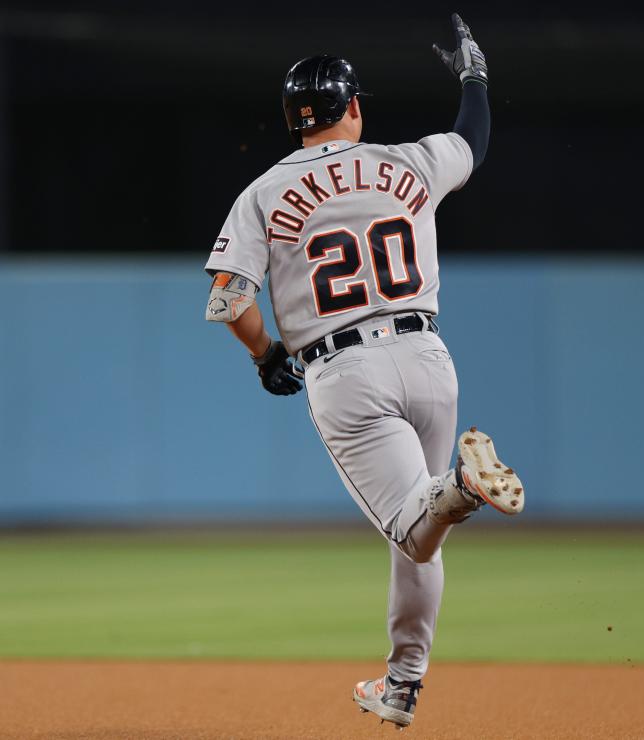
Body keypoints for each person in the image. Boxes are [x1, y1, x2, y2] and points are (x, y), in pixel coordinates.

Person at [202, 13, 524, 729]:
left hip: (344, 371)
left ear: (292, 122)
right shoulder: (407, 161)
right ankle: (403, 685)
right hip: (429, 357)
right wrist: (475, 77)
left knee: (418, 524)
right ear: (353, 107)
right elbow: (473, 140)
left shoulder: (262, 192)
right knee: (420, 524)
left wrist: (265, 356)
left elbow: (229, 302)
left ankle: (466, 486)